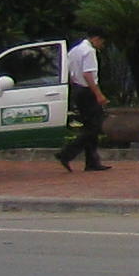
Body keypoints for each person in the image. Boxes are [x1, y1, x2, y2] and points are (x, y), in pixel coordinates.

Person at [60, 32, 106, 172]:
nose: (102, 46)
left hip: (78, 89)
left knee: (89, 126)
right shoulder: (89, 51)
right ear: (96, 38)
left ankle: (92, 161)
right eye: (102, 42)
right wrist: (98, 94)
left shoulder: (74, 50)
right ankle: (66, 154)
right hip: (87, 91)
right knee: (95, 127)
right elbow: (88, 74)